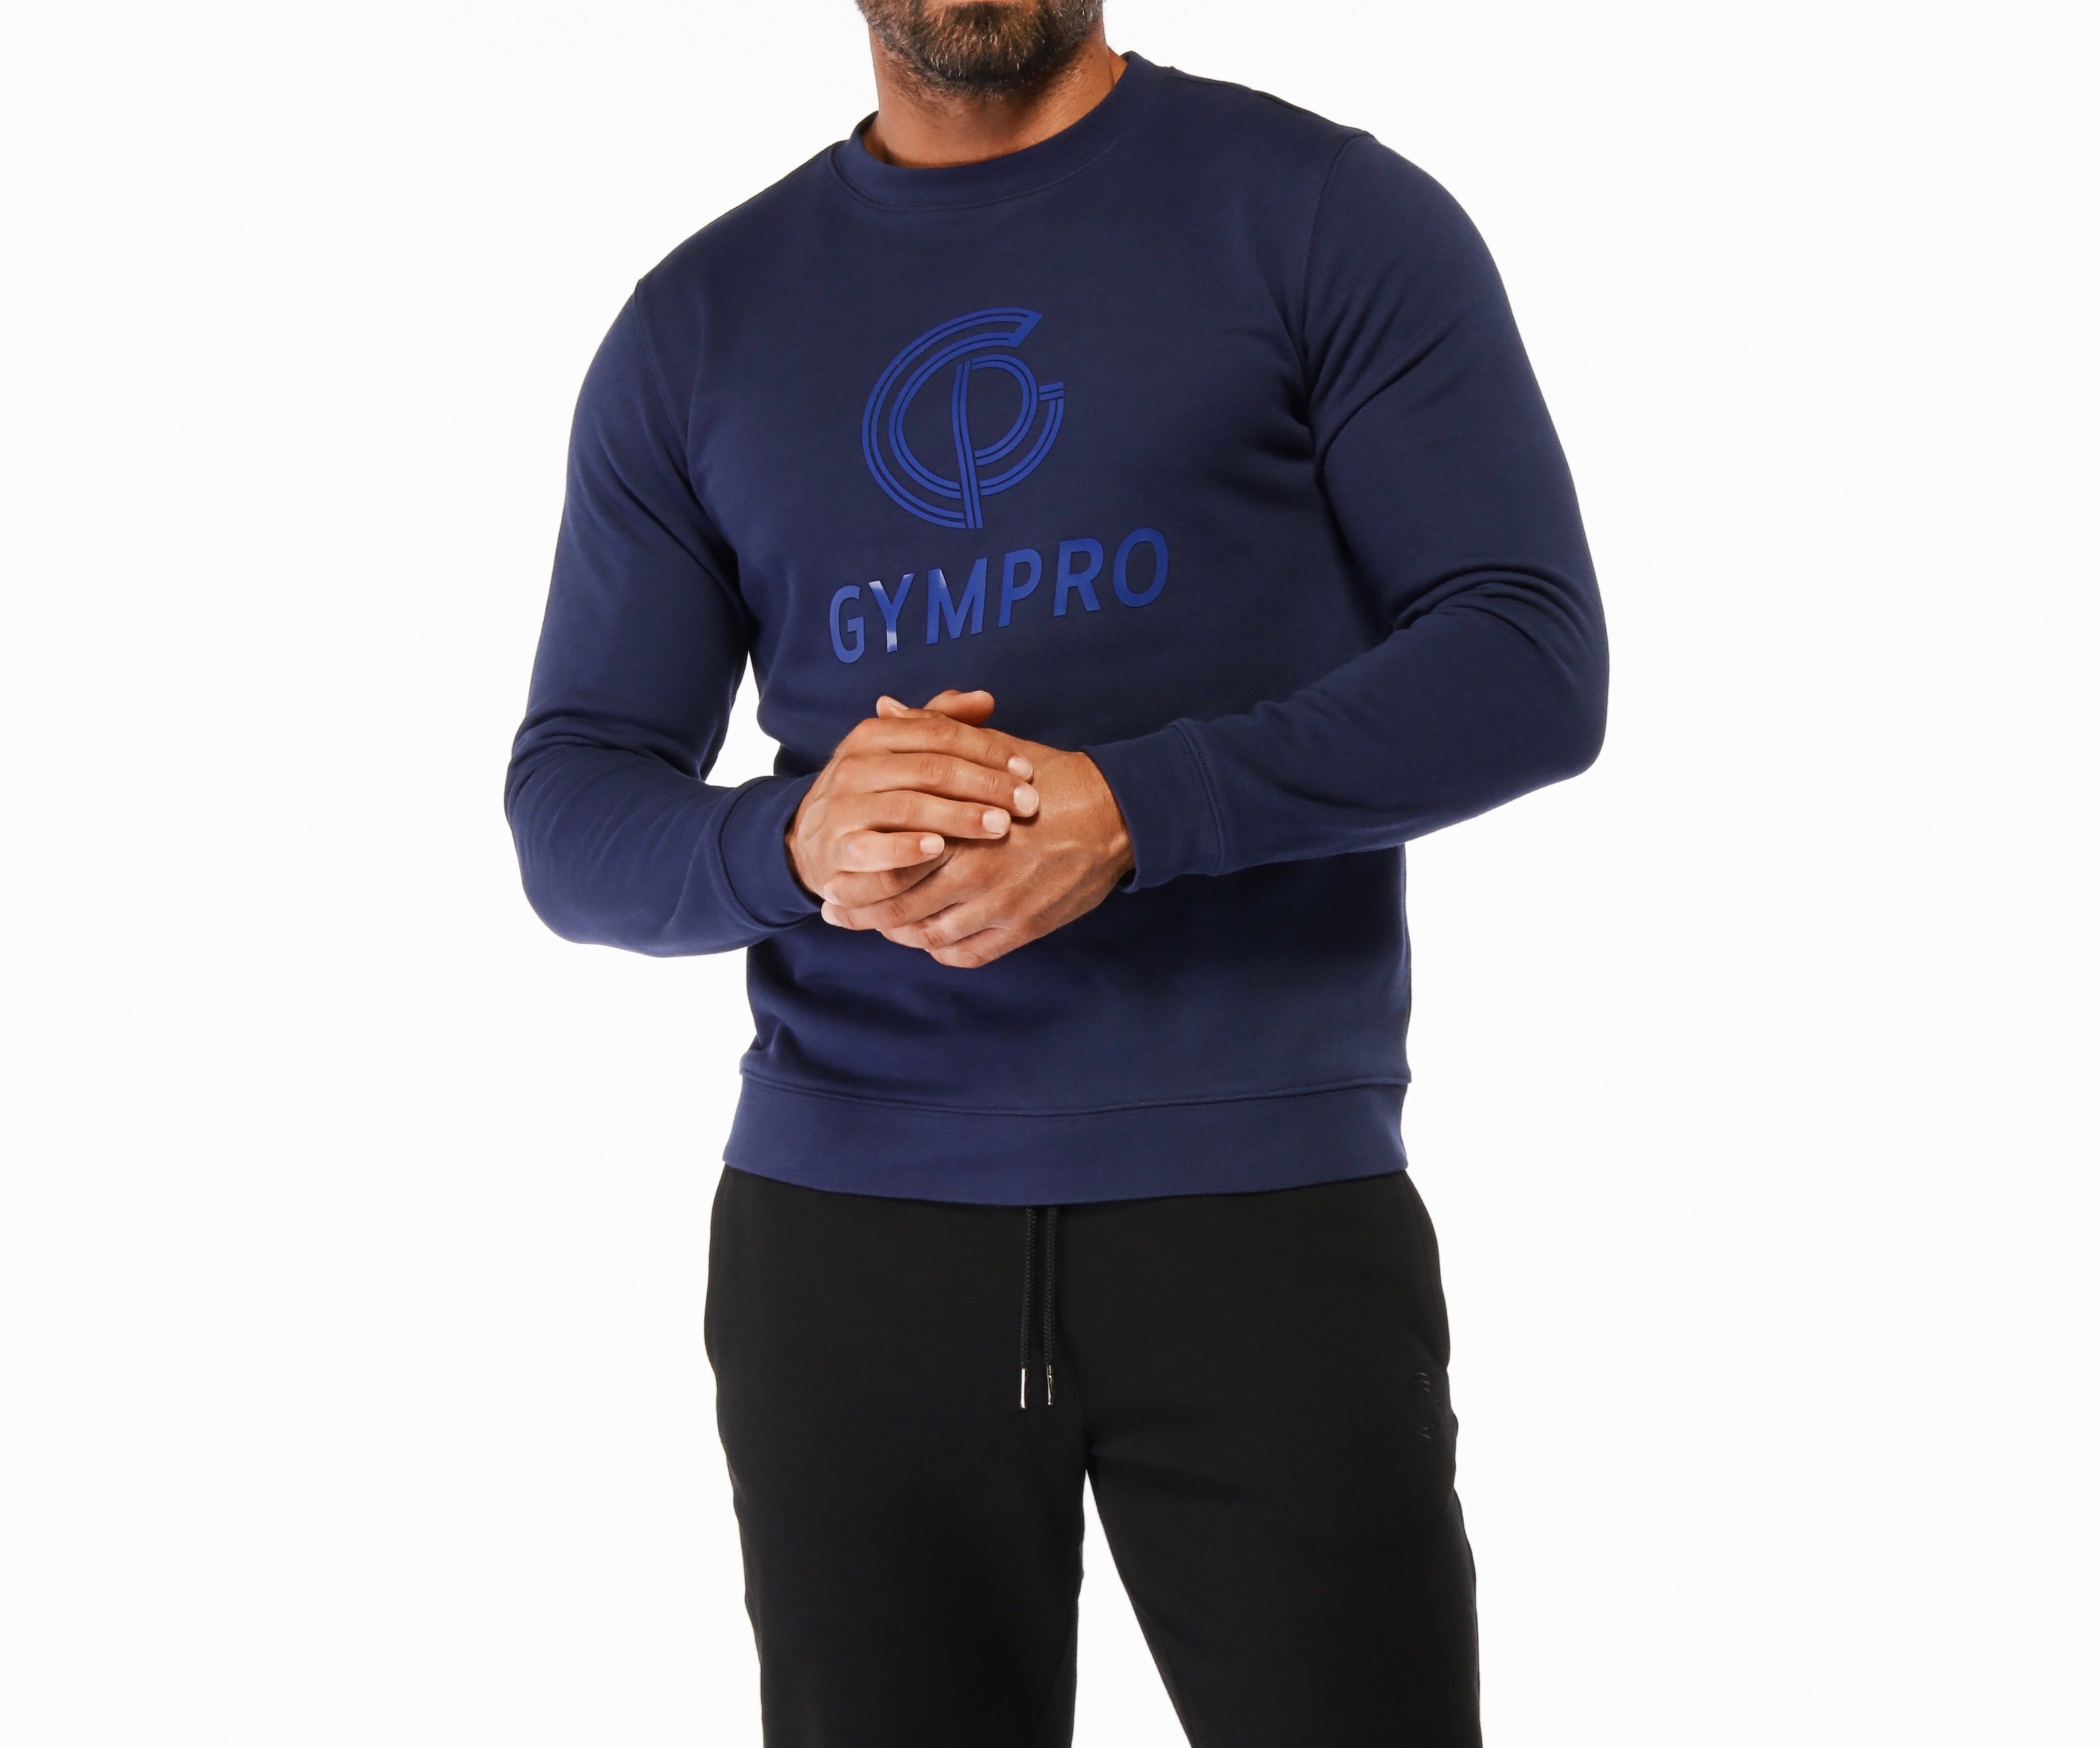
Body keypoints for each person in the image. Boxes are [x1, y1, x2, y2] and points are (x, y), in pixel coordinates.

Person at [506, 2, 1607, 1742]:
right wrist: (787, 843)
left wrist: (1141, 808)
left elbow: (1525, 659)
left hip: (1256, 1206)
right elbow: (570, 804)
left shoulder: (1319, 215)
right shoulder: (699, 321)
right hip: (847, 1245)